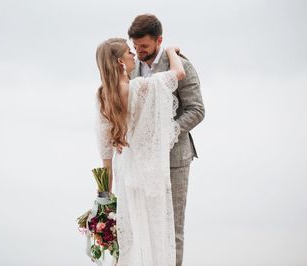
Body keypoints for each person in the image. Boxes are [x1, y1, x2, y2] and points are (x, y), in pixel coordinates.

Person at [95, 37, 185, 266]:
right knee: (155, 234)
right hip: (148, 172)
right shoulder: (141, 87)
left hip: (125, 171)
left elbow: (106, 153)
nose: (133, 54)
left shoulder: (103, 96)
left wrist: (104, 199)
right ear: (119, 62)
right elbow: (179, 73)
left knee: (131, 236)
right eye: (128, 52)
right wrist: (170, 51)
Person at [128, 14, 205, 265]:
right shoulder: (131, 68)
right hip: (141, 161)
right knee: (145, 224)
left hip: (175, 158)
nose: (139, 51)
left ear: (159, 40)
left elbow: (196, 110)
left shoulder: (182, 65)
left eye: (145, 47)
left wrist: (167, 132)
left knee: (172, 227)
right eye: (136, 46)